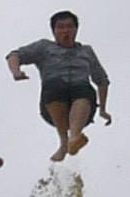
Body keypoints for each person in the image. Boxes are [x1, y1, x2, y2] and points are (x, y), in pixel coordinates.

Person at [7, 10, 111, 162]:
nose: (65, 31)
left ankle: (74, 137)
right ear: (54, 31)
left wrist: (103, 110)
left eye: (69, 27)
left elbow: (101, 80)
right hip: (53, 103)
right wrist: (16, 72)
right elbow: (14, 55)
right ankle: (64, 142)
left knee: (84, 88)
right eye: (61, 27)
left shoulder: (86, 51)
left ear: (76, 30)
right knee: (56, 84)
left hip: (83, 105)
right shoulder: (44, 47)